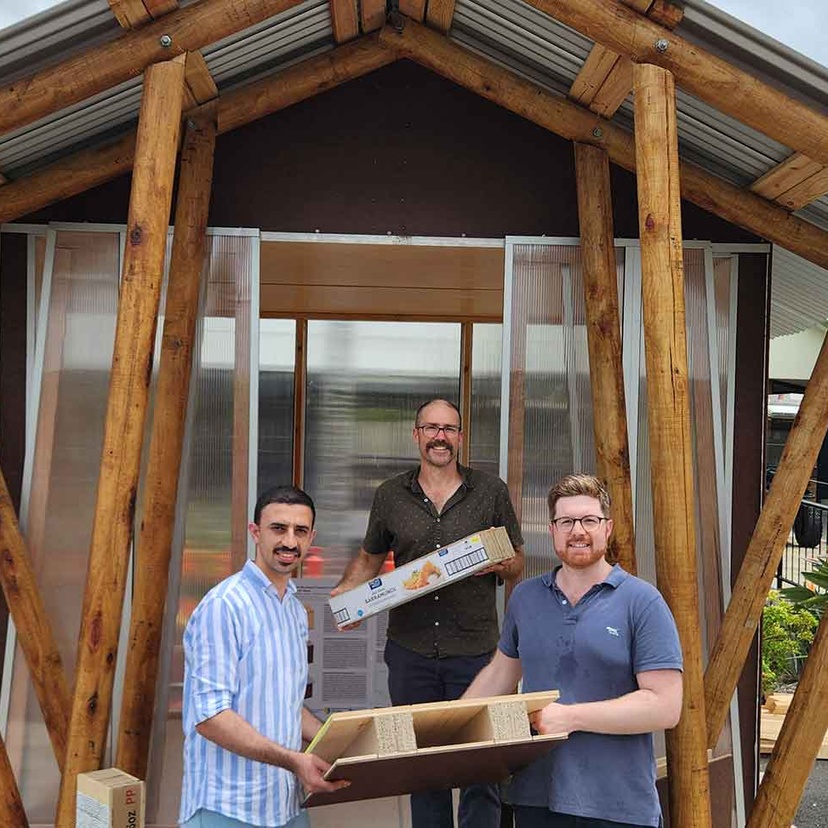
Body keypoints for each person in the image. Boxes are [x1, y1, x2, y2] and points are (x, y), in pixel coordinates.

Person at [331, 398, 525, 828]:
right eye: (432, 428)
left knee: (481, 768)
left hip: (476, 655)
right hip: (410, 653)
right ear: (417, 434)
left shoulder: (490, 491)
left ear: (460, 436)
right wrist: (348, 594)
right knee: (422, 770)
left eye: (449, 429)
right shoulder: (390, 495)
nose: (441, 437)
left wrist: (501, 562)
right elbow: (369, 557)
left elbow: (517, 563)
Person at [464, 473, 683, 828]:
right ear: (551, 530)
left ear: (607, 528)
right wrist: (449, 731)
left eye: (589, 520)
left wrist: (570, 717)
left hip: (618, 804)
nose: (577, 531)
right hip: (537, 797)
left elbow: (665, 706)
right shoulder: (526, 597)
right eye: (566, 521)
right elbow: (499, 674)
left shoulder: (641, 602)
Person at [179, 485, 348, 828]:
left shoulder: (294, 611)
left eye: (300, 531)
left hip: (285, 806)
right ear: (255, 532)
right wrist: (293, 760)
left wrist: (342, 743)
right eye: (278, 529)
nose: (289, 541)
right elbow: (210, 716)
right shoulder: (225, 606)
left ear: (311, 538)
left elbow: (286, 704)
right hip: (227, 808)